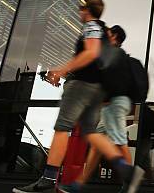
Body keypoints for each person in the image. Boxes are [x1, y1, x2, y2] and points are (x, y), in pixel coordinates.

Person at [13, 0, 137, 193]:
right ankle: (126, 170)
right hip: (97, 90)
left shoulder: (92, 26)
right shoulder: (104, 31)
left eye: (81, 8)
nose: (79, 12)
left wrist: (61, 70)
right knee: (90, 132)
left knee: (62, 128)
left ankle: (47, 179)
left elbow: (90, 53)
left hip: (82, 86)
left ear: (87, 10)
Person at [59, 25, 144, 193]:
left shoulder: (114, 56)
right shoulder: (115, 56)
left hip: (115, 104)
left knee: (119, 142)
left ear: (114, 37)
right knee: (99, 145)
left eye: (109, 33)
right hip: (111, 105)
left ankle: (130, 183)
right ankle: (78, 185)